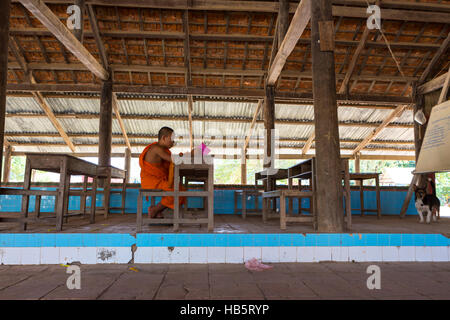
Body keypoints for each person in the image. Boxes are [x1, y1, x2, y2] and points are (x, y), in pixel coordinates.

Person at [139, 127, 186, 218]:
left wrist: (182, 156)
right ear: (164, 138)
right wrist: (187, 155)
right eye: (171, 139)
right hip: (152, 181)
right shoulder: (156, 148)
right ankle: (155, 210)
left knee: (179, 188)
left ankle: (158, 210)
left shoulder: (162, 149)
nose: (173, 142)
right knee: (178, 190)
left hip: (158, 180)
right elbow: (173, 160)